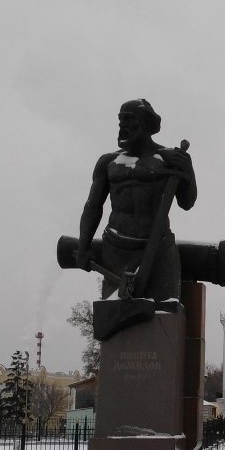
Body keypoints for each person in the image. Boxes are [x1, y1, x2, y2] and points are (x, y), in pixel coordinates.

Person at [76, 99, 196, 301]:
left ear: (148, 124)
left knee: (163, 312)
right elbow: (93, 207)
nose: (123, 126)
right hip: (116, 249)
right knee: (117, 316)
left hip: (158, 249)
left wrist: (187, 171)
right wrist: (83, 246)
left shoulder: (169, 159)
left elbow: (187, 202)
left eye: (129, 119)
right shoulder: (108, 162)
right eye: (120, 120)